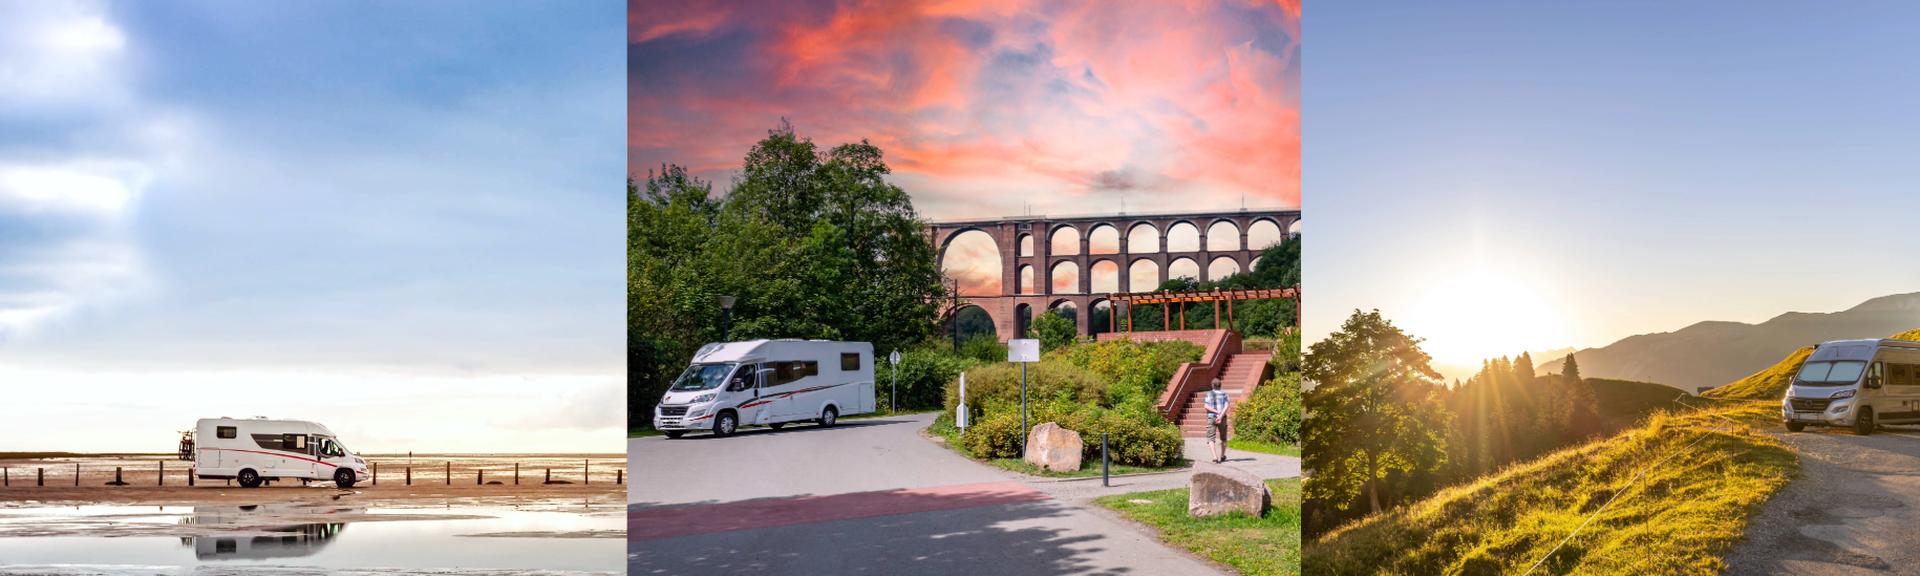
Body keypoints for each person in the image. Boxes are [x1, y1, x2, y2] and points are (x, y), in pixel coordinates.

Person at [1204, 377, 1232, 463]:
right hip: (1222, 418)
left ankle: (1215, 457)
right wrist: (1220, 416)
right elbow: (1226, 406)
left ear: (1212, 385)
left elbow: (1206, 406)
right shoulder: (1224, 395)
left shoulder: (1208, 395)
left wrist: (1216, 412)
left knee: (1210, 438)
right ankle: (1222, 456)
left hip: (1211, 417)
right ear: (1220, 386)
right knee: (1223, 438)